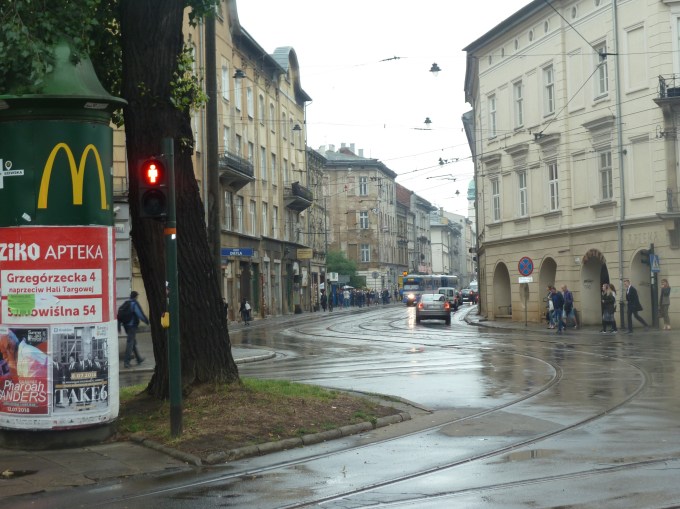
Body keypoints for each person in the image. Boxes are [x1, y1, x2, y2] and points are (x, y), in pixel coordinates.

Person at [119, 291, 149, 368]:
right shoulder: (134, 304)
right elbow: (140, 314)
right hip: (132, 326)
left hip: (126, 326)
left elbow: (120, 314)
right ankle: (126, 362)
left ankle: (138, 359)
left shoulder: (126, 303)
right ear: (136, 296)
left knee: (133, 342)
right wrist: (146, 321)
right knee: (130, 343)